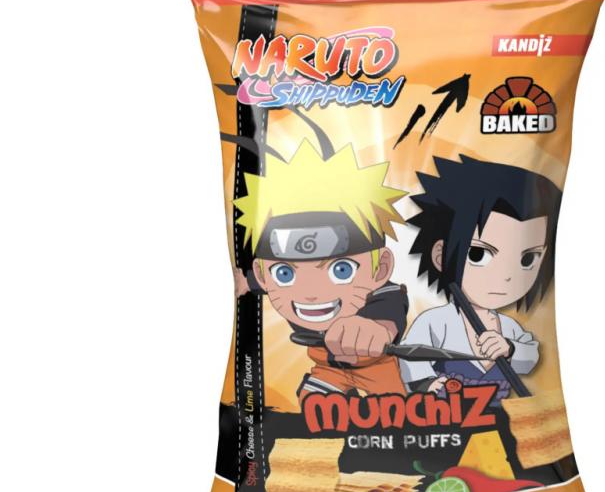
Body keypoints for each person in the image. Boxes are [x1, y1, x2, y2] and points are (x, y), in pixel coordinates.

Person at [233, 139, 408, 399]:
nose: (311, 293)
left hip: (376, 367)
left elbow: (389, 314)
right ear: (262, 274)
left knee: (394, 409)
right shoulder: (263, 279)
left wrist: (375, 329)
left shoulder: (384, 295)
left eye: (341, 270)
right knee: (312, 401)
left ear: (381, 269)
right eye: (285, 273)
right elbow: (257, 281)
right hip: (328, 367)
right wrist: (243, 282)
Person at [401, 155, 562, 404]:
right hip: (448, 411)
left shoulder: (508, 327)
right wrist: (426, 384)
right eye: (479, 254)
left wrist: (510, 348)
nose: (506, 275)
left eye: (528, 258)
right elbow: (411, 356)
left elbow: (530, 357)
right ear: (441, 255)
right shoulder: (435, 322)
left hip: (498, 410)